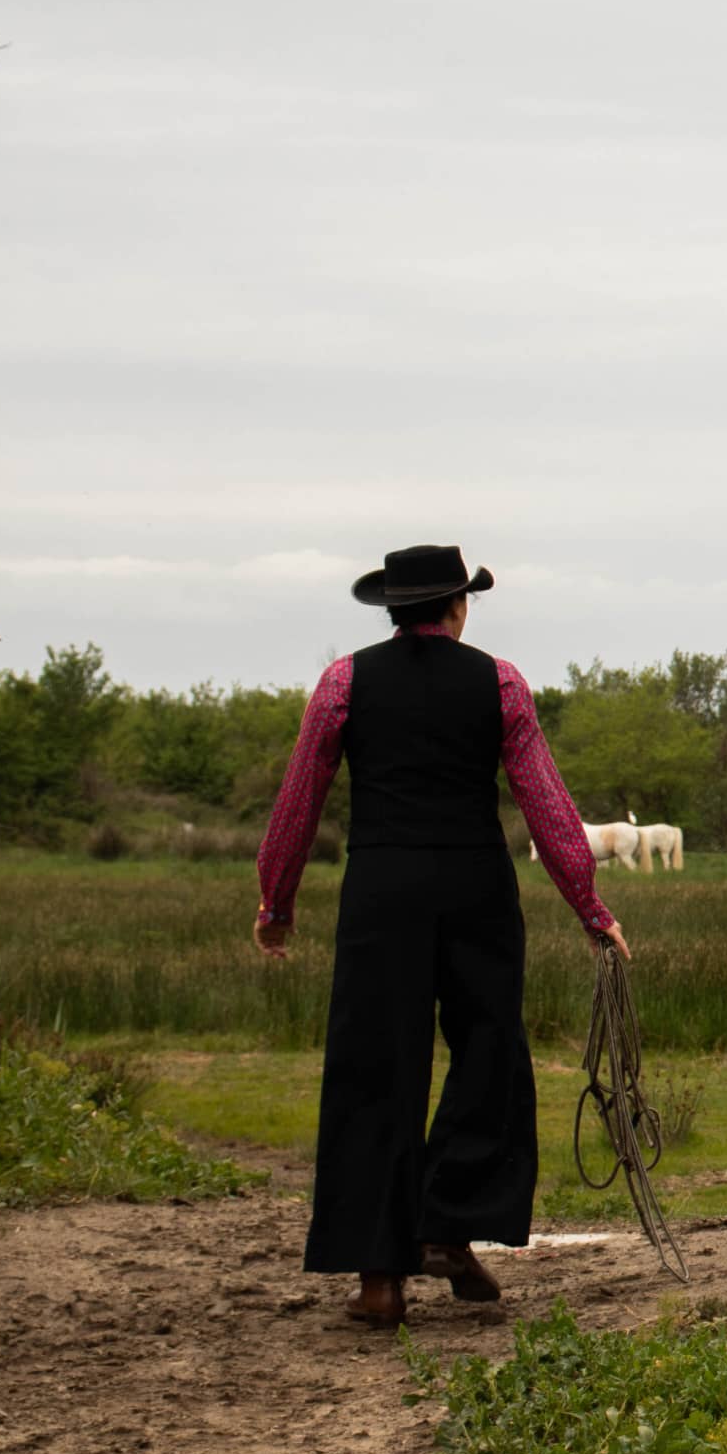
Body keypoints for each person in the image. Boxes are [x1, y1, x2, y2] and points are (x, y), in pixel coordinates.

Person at [253, 546, 629, 1326]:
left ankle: (380, 1280)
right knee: (491, 1050)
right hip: (476, 889)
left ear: (392, 612)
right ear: (457, 608)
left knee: (374, 1067)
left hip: (380, 890)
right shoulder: (500, 683)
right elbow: (548, 806)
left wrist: (276, 902)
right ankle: (449, 1222)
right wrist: (591, 908)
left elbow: (298, 803)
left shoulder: (343, 683)